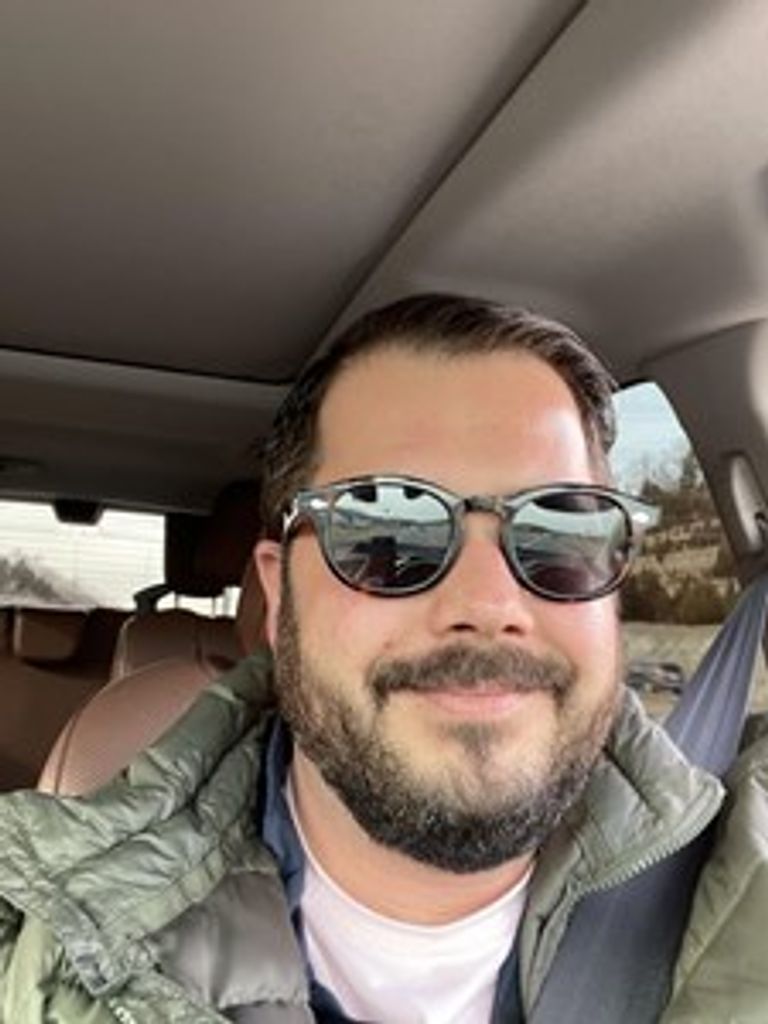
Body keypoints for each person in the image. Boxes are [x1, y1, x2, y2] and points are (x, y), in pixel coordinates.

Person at [0, 293, 765, 1023]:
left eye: (559, 531)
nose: (488, 604)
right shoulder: (44, 960)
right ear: (278, 597)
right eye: (386, 533)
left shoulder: (744, 897)